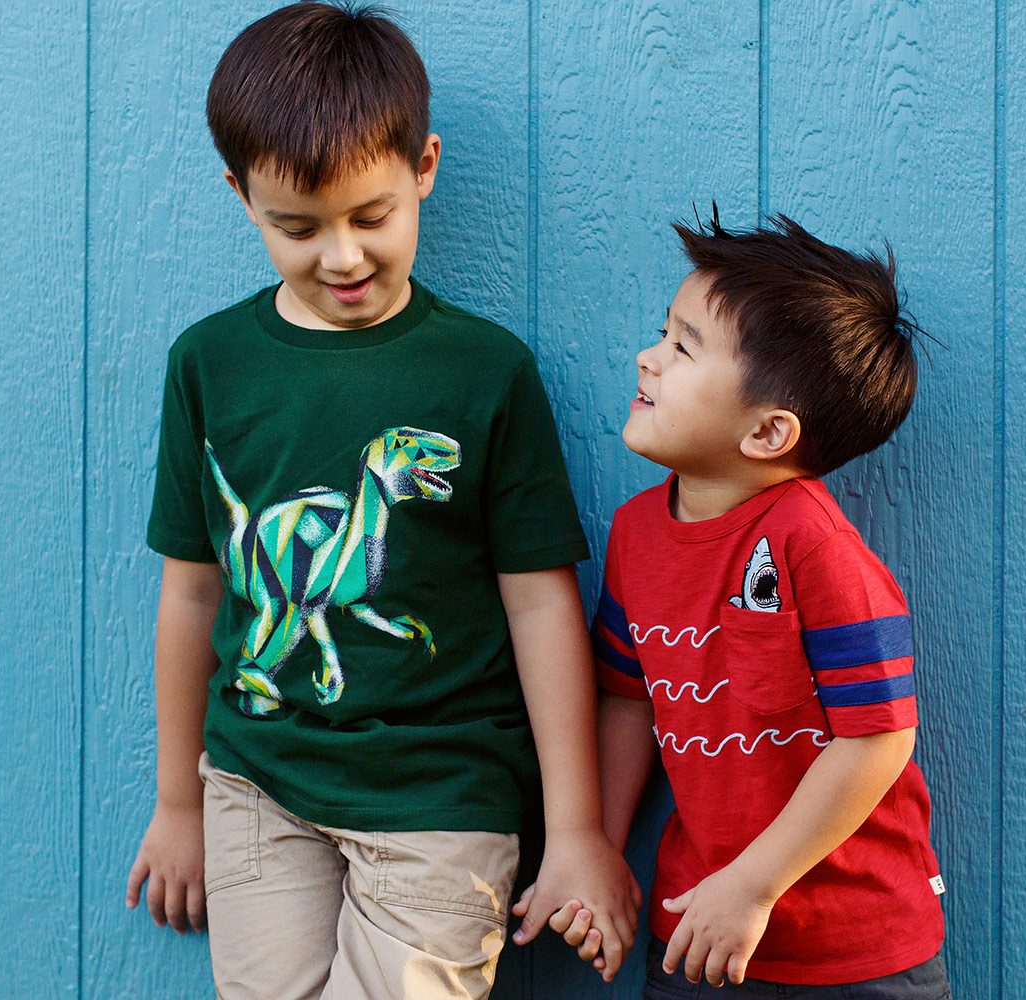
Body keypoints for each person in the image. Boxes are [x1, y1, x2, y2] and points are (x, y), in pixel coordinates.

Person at [122, 5, 639, 997]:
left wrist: (575, 828)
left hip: (441, 792)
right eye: (297, 228)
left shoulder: (484, 371)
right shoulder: (210, 365)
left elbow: (541, 604)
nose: (343, 257)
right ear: (241, 194)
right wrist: (178, 801)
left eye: (371, 216)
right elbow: (190, 593)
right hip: (257, 782)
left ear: (424, 167)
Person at [538, 211, 951, 997]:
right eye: (663, 334)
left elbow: (878, 739)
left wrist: (752, 886)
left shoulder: (811, 546)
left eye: (682, 348)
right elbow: (627, 700)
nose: (648, 358)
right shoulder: (636, 535)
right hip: (697, 932)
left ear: (767, 432)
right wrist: (599, 849)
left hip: (858, 946)